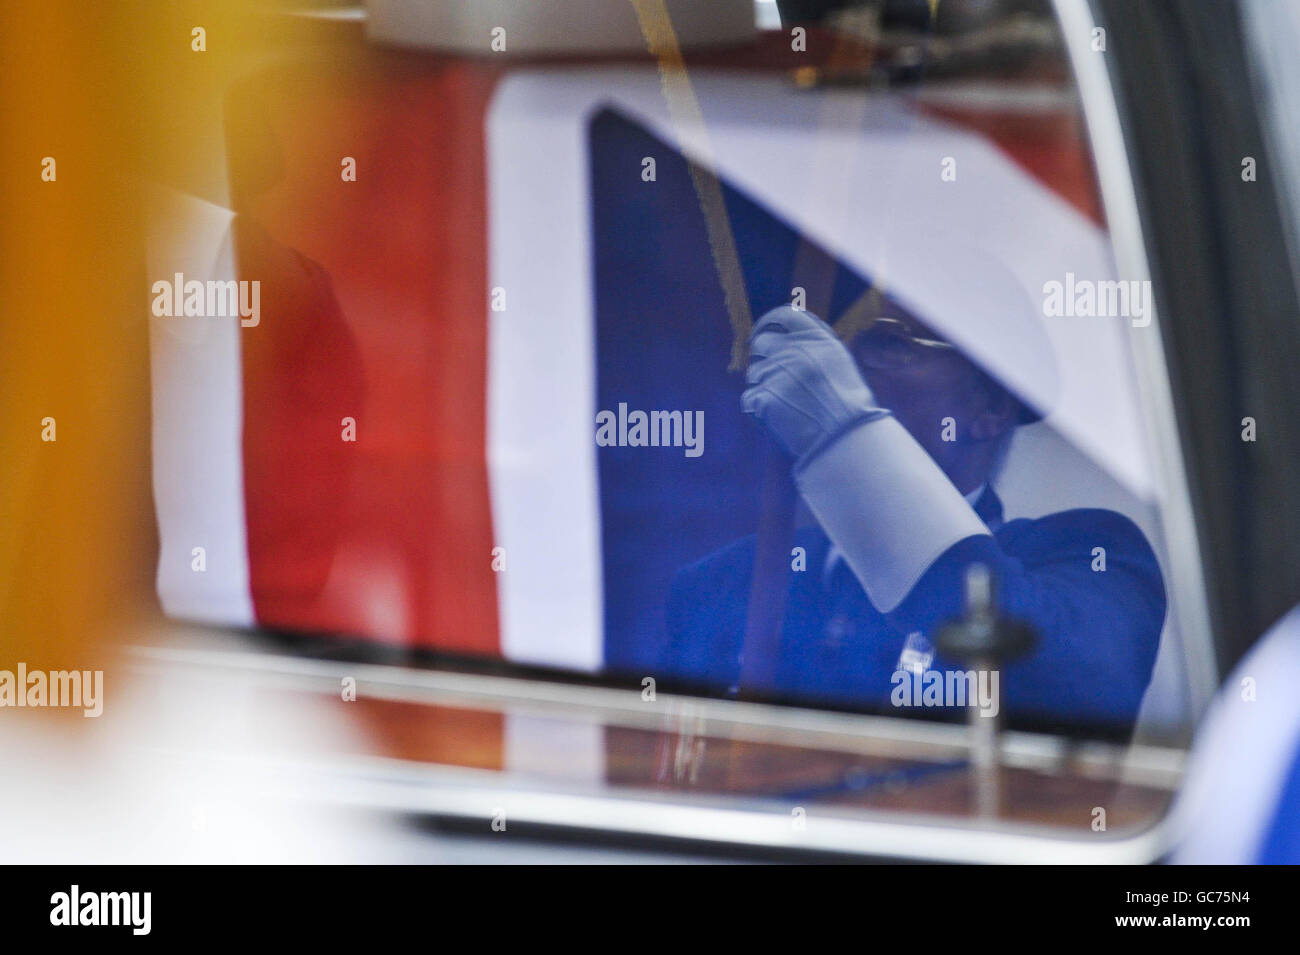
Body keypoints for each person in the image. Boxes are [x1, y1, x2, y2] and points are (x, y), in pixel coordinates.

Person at [665, 301, 1165, 727]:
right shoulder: (720, 582)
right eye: (839, 338)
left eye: (889, 342)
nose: (843, 360)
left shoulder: (1092, 554)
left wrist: (845, 438)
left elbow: (1077, 685)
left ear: (989, 405)